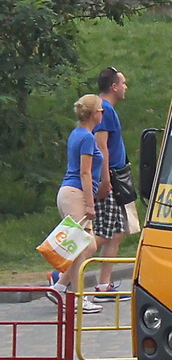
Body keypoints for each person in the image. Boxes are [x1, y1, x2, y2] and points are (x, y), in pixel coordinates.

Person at [48, 95, 104, 314]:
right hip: (76, 193)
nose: (103, 113)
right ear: (93, 113)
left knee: (87, 245)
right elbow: (85, 171)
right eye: (100, 110)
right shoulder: (88, 138)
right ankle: (78, 297)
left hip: (68, 192)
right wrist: (90, 203)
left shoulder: (77, 134)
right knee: (80, 245)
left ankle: (60, 286)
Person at [92, 66, 130, 301]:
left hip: (117, 174)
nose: (126, 87)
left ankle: (104, 285)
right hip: (111, 177)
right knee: (103, 233)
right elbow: (101, 146)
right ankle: (62, 274)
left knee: (116, 232)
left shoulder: (108, 109)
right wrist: (105, 180)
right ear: (114, 86)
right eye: (123, 83)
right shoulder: (104, 109)